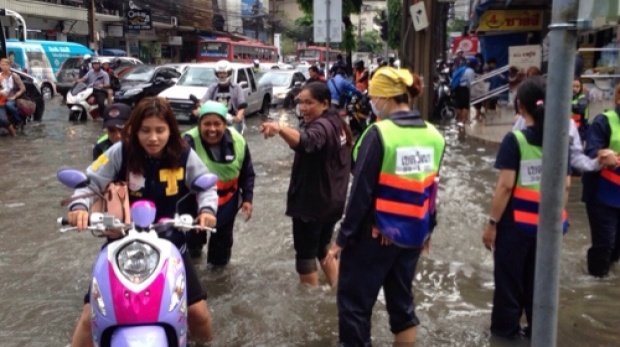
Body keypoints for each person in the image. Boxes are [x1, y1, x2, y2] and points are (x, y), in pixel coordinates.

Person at [65, 97, 216, 346]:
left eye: (160, 130)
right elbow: (90, 182)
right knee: (88, 317)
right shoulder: (120, 151)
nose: (153, 138)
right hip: (122, 244)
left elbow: (206, 186)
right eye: (146, 130)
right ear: (134, 130)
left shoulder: (184, 154)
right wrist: (79, 207)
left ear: (171, 129)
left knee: (198, 313)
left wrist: (207, 210)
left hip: (171, 245)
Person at [324, 67, 446, 346]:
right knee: (402, 307)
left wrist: (341, 239)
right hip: (414, 235)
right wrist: (429, 230)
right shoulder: (435, 135)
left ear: (385, 97)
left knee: (355, 306)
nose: (370, 100)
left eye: (372, 95)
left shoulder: (379, 133)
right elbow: (431, 188)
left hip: (374, 235)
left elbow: (361, 194)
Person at [482, 76, 571, 339]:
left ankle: (505, 336)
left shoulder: (516, 141)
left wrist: (492, 224)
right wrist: (555, 221)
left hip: (515, 227)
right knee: (539, 283)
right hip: (547, 227)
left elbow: (505, 187)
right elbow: (565, 186)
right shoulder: (559, 140)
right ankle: (538, 334)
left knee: (509, 285)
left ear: (520, 106)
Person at [259, 82, 352, 287]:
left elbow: (307, 141)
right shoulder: (339, 124)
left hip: (313, 206)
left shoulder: (322, 126)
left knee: (305, 256)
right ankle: (339, 293)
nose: (303, 108)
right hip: (333, 203)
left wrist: (280, 128)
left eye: (309, 103)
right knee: (323, 248)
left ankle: (312, 306)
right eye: (301, 102)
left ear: (325, 104)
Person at [184, 101, 256, 265]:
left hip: (227, 204)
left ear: (225, 124)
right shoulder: (187, 142)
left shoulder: (238, 141)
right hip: (194, 205)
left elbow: (247, 173)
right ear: (199, 124)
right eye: (206, 124)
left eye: (217, 124)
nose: (212, 129)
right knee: (191, 249)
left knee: (220, 257)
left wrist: (247, 199)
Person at [582, 84, 620, 277]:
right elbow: (591, 152)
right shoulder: (604, 122)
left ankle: (607, 277)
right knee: (605, 243)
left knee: (616, 248)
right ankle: (595, 283)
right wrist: (603, 153)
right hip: (601, 195)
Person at [202, 60, 247, 134]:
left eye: (224, 73)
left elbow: (242, 105)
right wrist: (199, 108)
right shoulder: (213, 87)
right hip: (216, 120)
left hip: (233, 121)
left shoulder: (236, 88)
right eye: (220, 73)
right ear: (216, 74)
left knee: (236, 142)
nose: (222, 75)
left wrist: (238, 117)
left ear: (229, 73)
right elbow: (204, 101)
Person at [0, 58, 26, 134]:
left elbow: (23, 88)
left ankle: (19, 121)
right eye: (2, 65)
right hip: (1, 99)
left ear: (9, 66)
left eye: (6, 65)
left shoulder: (14, 75)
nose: (4, 67)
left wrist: (15, 96)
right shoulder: (0, 76)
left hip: (11, 97)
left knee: (9, 105)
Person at [454, 57, 477, 125]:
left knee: (459, 106)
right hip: (464, 89)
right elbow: (471, 82)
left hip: (457, 88)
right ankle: (463, 121)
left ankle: (459, 120)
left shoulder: (463, 69)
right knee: (465, 106)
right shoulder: (470, 71)